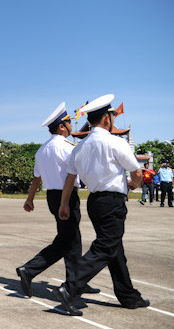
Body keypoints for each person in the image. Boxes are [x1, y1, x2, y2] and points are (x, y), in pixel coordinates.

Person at [52, 94, 148, 316]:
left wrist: (64, 204)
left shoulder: (79, 146)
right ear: (107, 118)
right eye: (112, 116)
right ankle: (70, 288)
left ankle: (128, 296)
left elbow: (69, 178)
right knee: (106, 247)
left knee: (114, 249)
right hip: (112, 202)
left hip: (94, 202)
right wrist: (134, 183)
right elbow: (137, 172)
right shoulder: (115, 142)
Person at [17, 102, 99, 299]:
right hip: (66, 197)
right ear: (62, 126)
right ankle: (29, 269)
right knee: (66, 241)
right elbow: (78, 172)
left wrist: (30, 199)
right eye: (69, 122)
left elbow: (36, 178)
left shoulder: (42, 150)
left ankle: (76, 281)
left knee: (73, 239)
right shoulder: (67, 148)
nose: (72, 125)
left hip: (52, 196)